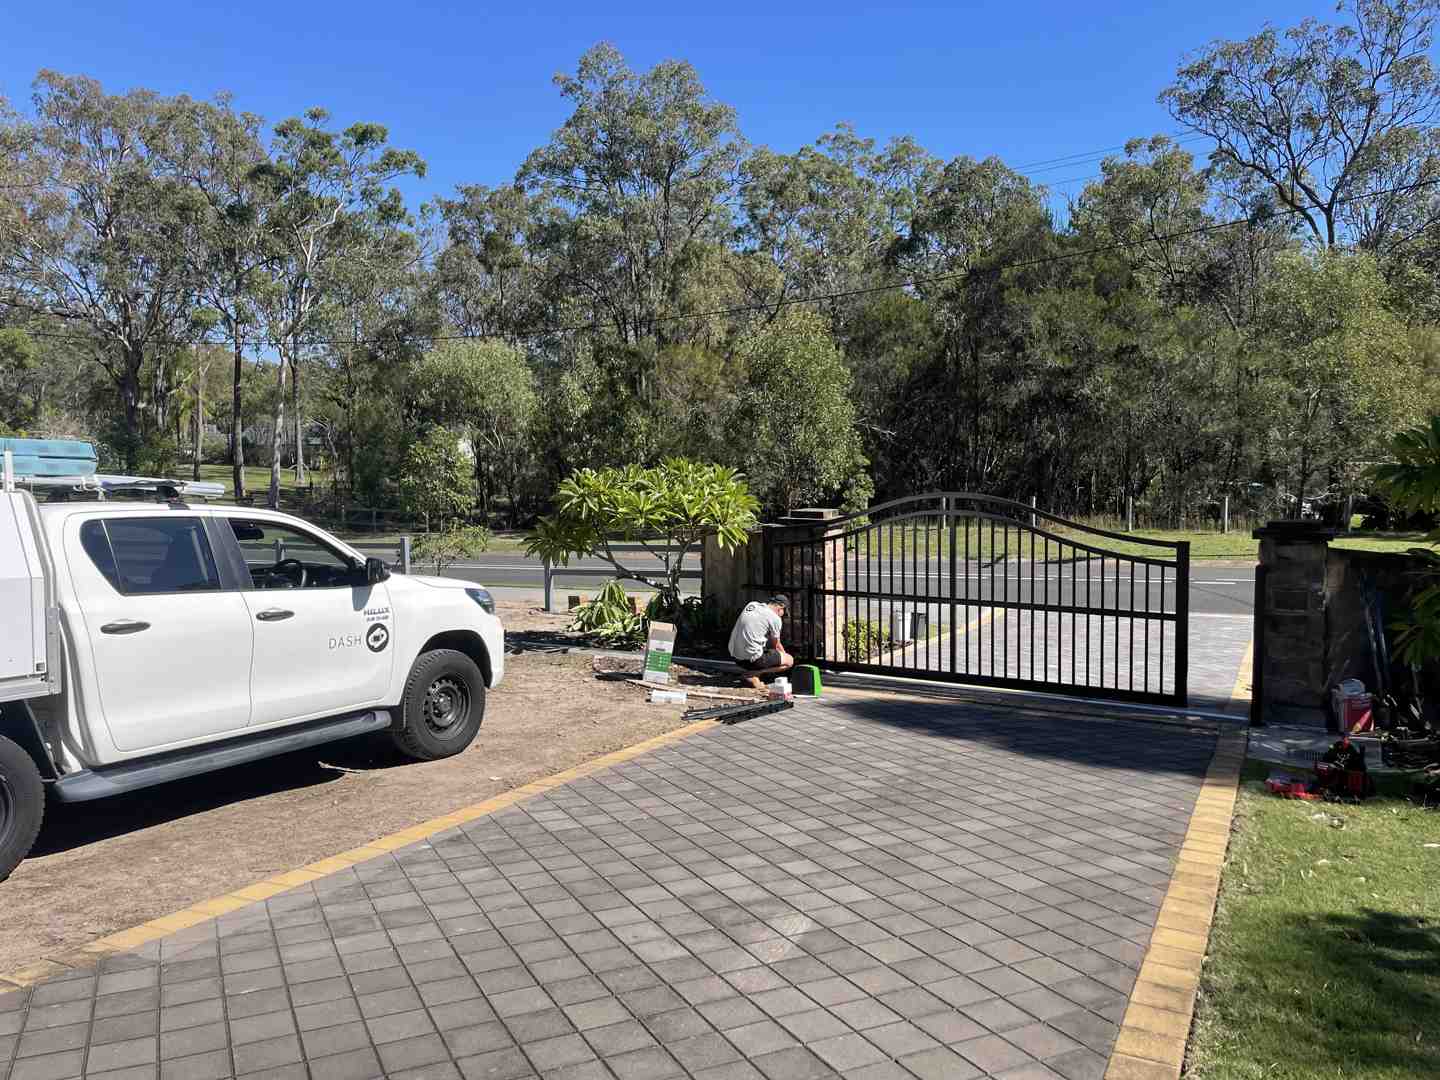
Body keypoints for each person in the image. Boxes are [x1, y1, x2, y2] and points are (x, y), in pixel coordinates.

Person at [728, 594, 794, 690]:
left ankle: (754, 674)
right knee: (789, 661)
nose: (783, 615)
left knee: (761, 645)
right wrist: (784, 656)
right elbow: (776, 645)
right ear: (781, 607)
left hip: (735, 657)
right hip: (751, 661)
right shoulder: (775, 619)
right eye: (784, 612)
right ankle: (753, 674)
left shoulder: (752, 605)